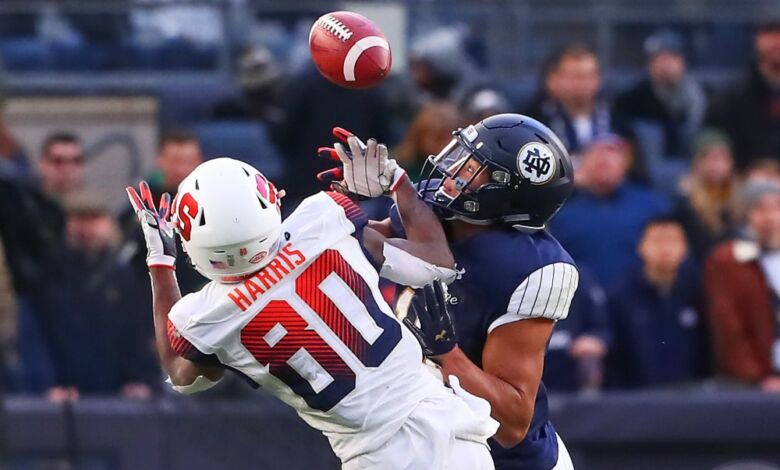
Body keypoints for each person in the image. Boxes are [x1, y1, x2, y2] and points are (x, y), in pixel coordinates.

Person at [127, 148, 497, 468]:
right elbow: (436, 263)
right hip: (450, 424)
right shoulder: (321, 220)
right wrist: (399, 180)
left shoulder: (208, 317)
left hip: (378, 456)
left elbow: (182, 376)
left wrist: (161, 266)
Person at [349, 114, 578, 469]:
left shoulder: (531, 268)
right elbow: (362, 246)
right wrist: (343, 212)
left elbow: (512, 423)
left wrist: (447, 353)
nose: (454, 171)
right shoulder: (431, 208)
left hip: (503, 461)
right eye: (462, 156)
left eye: (474, 167)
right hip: (421, 442)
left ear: (506, 194)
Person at [39, 194, 159, 401]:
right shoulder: (50, 274)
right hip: (65, 391)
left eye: (94, 220)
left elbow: (138, 333)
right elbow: (40, 334)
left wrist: (141, 379)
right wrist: (49, 384)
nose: (87, 230)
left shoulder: (127, 277)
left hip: (119, 392)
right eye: (79, 220)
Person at [549, 133, 669, 292]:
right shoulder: (562, 212)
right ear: (583, 163)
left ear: (626, 162)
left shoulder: (652, 207)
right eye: (596, 152)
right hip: (581, 303)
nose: (603, 158)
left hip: (638, 304)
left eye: (612, 151)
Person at [608, 216, 706, 389]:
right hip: (635, 400)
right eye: (657, 240)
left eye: (672, 241)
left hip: (690, 399)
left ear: (685, 248)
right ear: (641, 246)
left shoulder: (698, 293)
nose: (665, 248)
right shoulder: (620, 296)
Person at [703, 181, 780, 391]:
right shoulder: (728, 261)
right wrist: (758, 377)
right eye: (760, 208)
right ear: (746, 215)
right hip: (751, 384)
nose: (770, 217)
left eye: (776, 208)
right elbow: (730, 328)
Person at [614, 29, 707, 158]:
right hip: (646, 170)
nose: (666, 65)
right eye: (659, 59)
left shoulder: (699, 95)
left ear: (682, 62)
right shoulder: (631, 100)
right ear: (649, 64)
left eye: (672, 57)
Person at [707, 21, 780, 169]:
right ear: (756, 40)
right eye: (770, 33)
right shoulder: (731, 98)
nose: (776, 41)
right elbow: (713, 143)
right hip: (743, 181)